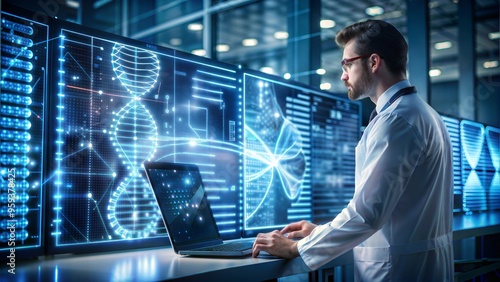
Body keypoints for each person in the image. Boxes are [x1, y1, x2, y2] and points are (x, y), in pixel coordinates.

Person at [252, 19, 454, 281]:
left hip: (397, 271)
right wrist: (320, 232)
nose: (343, 75)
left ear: (373, 62)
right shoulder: (423, 113)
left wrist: (297, 246)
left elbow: (367, 213)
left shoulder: (396, 121)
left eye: (347, 64)